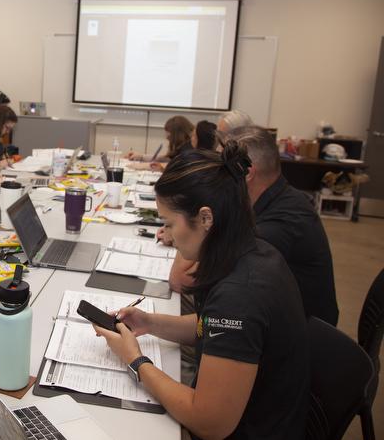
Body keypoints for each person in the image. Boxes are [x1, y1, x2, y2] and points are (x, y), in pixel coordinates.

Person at [94, 143, 309, 440]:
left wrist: (135, 361)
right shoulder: (253, 251)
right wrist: (151, 323)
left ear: (206, 218)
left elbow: (210, 423)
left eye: (170, 224)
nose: (166, 235)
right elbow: (212, 328)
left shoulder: (240, 295)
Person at [170, 125, 339, 326]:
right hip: (268, 322)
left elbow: (183, 280)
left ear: (247, 172)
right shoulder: (271, 201)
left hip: (293, 341)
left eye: (220, 168)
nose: (213, 176)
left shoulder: (277, 226)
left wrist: (190, 212)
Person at [127, 115, 194, 170]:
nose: (167, 138)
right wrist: (141, 156)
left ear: (177, 135)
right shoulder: (183, 145)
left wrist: (145, 165)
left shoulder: (188, 149)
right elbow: (167, 158)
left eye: (169, 137)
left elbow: (175, 166)